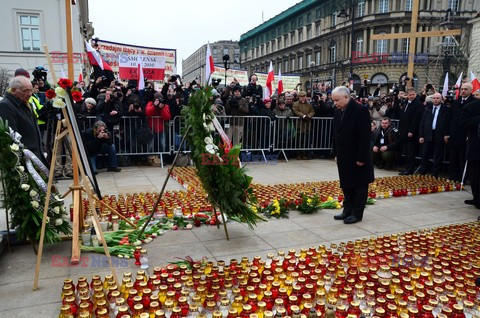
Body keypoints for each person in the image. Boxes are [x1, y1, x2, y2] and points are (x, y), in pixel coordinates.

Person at [332, 86, 374, 224]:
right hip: (344, 156)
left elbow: (364, 136)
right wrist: (336, 153)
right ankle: (347, 210)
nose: (335, 103)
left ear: (346, 97)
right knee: (347, 185)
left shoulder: (360, 110)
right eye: (334, 100)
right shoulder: (338, 111)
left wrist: (361, 157)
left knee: (359, 186)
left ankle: (357, 214)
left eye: (337, 100)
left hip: (357, 156)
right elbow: (337, 134)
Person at [0, 76, 46, 165]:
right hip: (23, 162)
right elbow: (11, 137)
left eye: (31, 90)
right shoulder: (6, 106)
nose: (29, 94)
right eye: (25, 91)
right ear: (14, 90)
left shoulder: (25, 103)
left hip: (36, 157)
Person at [417, 93, 451, 178]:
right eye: (434, 98)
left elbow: (448, 123)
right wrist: (421, 135)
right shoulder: (427, 108)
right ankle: (423, 171)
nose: (436, 100)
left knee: (438, 154)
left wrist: (446, 134)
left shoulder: (446, 109)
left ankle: (435, 172)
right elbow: (422, 123)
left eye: (438, 98)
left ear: (441, 99)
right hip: (428, 133)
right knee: (425, 153)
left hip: (439, 134)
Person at [448, 83, 474, 182]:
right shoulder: (456, 102)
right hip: (454, 134)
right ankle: (452, 176)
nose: (463, 91)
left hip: (465, 135)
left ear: (471, 91)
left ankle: (462, 177)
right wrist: (447, 133)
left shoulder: (473, 102)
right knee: (453, 157)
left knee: (462, 158)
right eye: (462, 89)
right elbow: (450, 118)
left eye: (465, 89)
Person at [397, 87, 423, 175]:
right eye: (409, 95)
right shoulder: (405, 103)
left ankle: (410, 169)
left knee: (411, 152)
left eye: (413, 95)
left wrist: (412, 131)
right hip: (404, 130)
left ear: (415, 94)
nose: (411, 96)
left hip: (412, 132)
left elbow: (416, 119)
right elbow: (402, 117)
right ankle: (406, 167)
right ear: (407, 95)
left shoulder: (418, 104)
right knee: (406, 151)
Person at [460, 98, 480, 209]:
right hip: (475, 146)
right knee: (474, 175)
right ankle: (476, 198)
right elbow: (463, 122)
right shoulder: (471, 107)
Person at [293, 91, 315, 159]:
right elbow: (295, 111)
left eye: (304, 96)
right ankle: (298, 154)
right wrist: (303, 116)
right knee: (299, 140)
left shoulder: (309, 104)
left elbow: (312, 111)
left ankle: (305, 153)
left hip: (307, 125)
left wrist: (309, 116)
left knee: (306, 141)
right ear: (299, 97)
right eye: (301, 97)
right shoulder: (296, 104)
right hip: (299, 124)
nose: (303, 98)